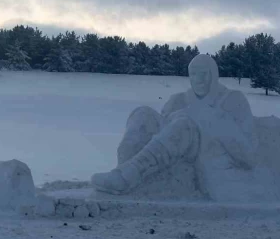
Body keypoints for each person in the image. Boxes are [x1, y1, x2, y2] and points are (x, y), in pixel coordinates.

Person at [90, 54, 258, 199]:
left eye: (204, 74)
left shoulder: (233, 100)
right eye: (193, 74)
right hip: (171, 155)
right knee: (142, 113)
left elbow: (248, 156)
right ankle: (122, 173)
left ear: (214, 75)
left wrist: (211, 119)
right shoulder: (180, 99)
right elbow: (162, 132)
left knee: (184, 124)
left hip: (206, 158)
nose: (198, 80)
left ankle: (128, 176)